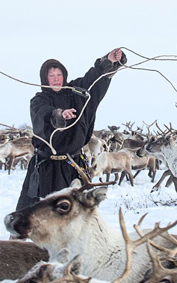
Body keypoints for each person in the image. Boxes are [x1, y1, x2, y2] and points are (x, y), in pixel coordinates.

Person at [14, 48, 125, 211]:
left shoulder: (74, 91)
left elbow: (93, 80)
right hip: (47, 169)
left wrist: (109, 61)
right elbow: (43, 112)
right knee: (38, 216)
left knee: (78, 216)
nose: (56, 79)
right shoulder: (39, 100)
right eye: (51, 76)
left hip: (74, 165)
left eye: (59, 75)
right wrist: (59, 115)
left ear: (64, 76)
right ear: (45, 78)